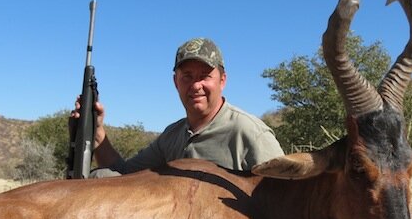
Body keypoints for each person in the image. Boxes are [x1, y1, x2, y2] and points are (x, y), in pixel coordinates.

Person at [73, 37, 284, 176]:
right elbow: (123, 174)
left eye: (205, 76)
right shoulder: (172, 135)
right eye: (187, 77)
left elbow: (286, 198)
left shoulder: (250, 133)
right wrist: (97, 129)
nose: (196, 85)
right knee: (101, 176)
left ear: (222, 80)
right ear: (176, 82)